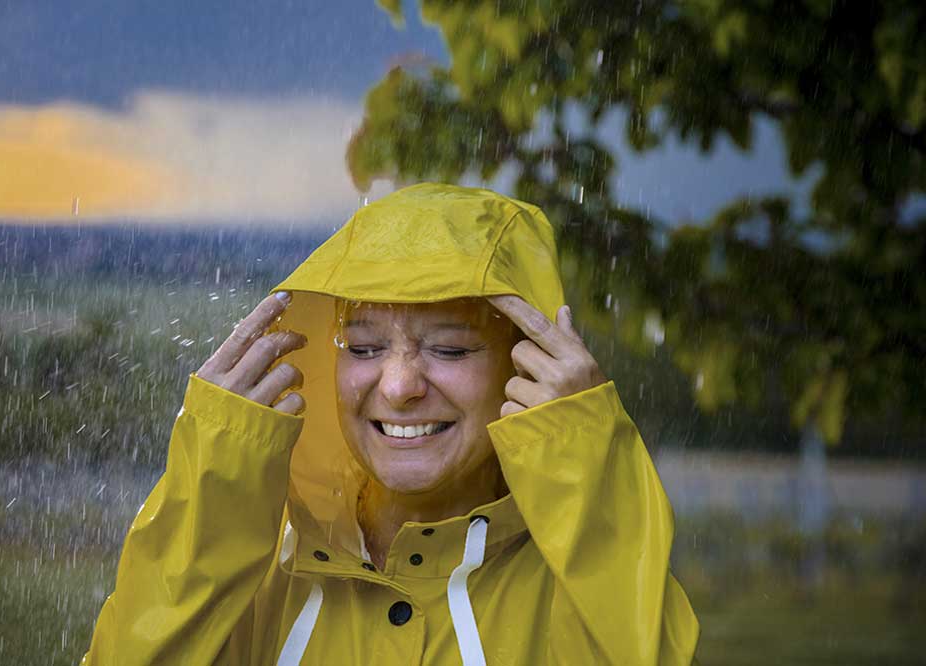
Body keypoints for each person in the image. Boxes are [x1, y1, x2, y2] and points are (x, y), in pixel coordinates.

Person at [83, 183, 699, 665]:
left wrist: (581, 451)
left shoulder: (575, 589)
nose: (400, 387)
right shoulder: (255, 577)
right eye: (363, 347)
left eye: (452, 349)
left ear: (528, 363)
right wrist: (215, 478)